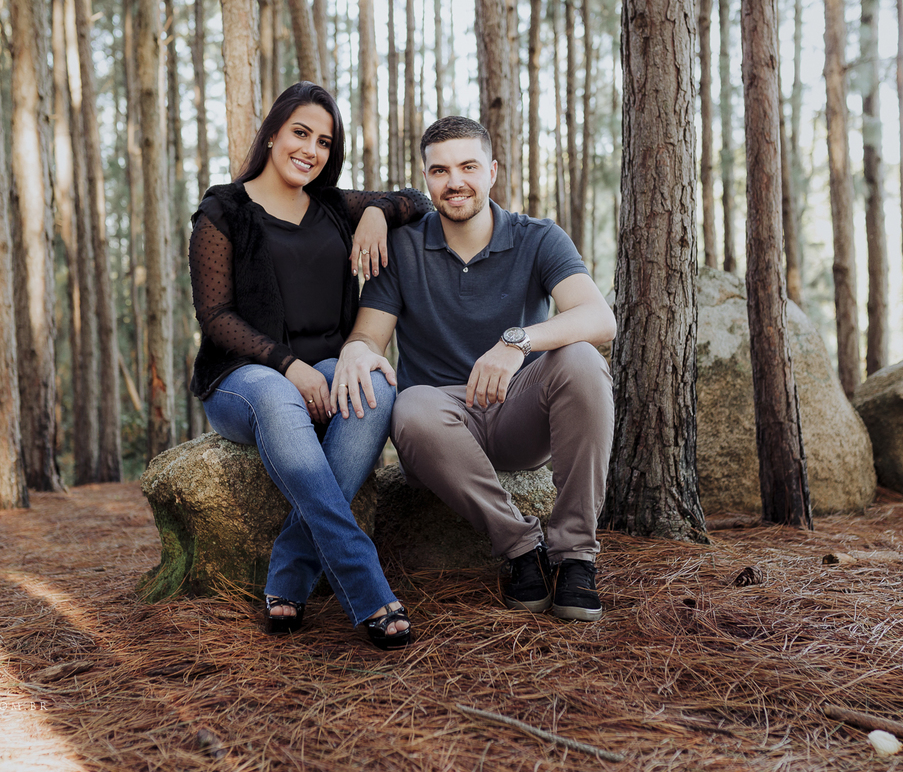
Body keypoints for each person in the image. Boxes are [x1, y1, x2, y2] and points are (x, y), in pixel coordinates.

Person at [332, 116, 616, 622]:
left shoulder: (538, 237)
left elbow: (599, 319)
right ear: (426, 180)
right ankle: (521, 548)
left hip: (519, 416)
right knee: (412, 402)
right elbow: (368, 337)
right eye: (439, 171)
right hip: (439, 429)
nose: (454, 181)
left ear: (492, 172)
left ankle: (575, 556)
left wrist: (517, 342)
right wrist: (356, 348)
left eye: (468, 166)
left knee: (581, 358)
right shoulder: (402, 248)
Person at [188, 82, 432, 649]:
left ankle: (289, 576)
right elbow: (215, 316)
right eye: (301, 133)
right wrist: (288, 365)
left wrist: (373, 214)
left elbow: (415, 202)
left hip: (327, 366)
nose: (311, 149)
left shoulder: (331, 207)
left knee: (373, 382)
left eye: (324, 141)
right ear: (272, 133)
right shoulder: (223, 210)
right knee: (276, 394)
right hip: (242, 379)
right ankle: (366, 585)